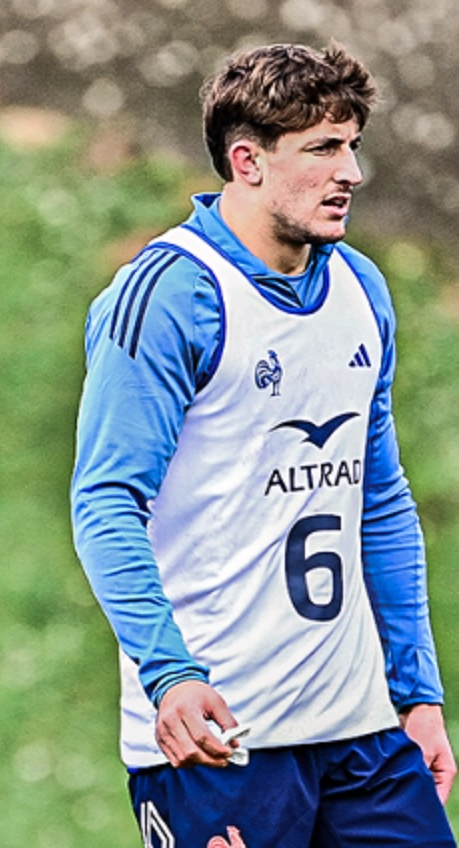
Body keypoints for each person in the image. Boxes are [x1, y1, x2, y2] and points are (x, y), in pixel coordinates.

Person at [70, 41, 456, 846]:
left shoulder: (361, 288)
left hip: (362, 736)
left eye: (352, 145)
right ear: (246, 161)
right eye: (322, 149)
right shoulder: (171, 295)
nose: (350, 170)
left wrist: (417, 692)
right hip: (220, 739)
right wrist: (169, 674)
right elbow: (106, 502)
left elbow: (377, 501)